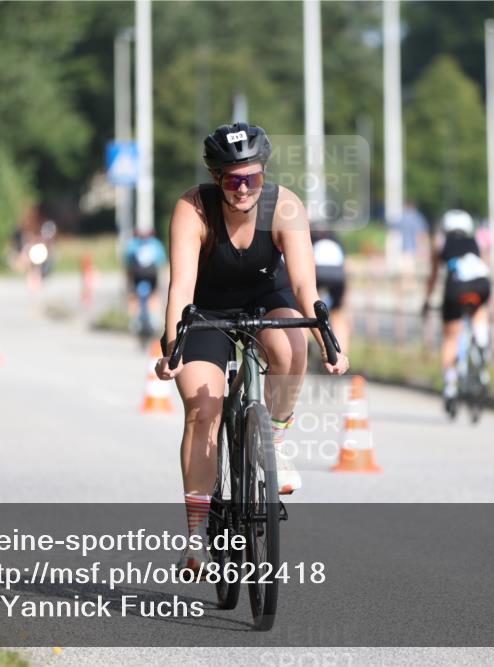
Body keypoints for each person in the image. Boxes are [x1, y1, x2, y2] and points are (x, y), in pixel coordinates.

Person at [154, 122, 349, 568]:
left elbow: (303, 284)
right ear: (215, 177)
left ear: (264, 173)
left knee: (290, 348)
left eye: (252, 178)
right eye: (231, 179)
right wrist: (172, 349)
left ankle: (274, 438)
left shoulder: (285, 207)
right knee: (203, 411)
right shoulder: (193, 208)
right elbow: (180, 287)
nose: (243, 189)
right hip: (205, 310)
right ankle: (196, 536)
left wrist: (327, 341)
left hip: (267, 297)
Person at [421, 209, 491, 413]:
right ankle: (482, 345)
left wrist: (427, 301)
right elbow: (485, 267)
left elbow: (433, 276)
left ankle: (451, 387)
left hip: (455, 286)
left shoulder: (441, 242)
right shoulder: (478, 241)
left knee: (451, 337)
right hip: (481, 285)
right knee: (479, 312)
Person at [311, 228, 351, 354]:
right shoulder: (336, 239)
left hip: (318, 270)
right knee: (337, 313)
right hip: (337, 273)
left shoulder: (310, 237)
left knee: (308, 308)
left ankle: (306, 346)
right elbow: (346, 266)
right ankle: (341, 353)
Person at [124, 228, 167, 327]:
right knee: (154, 295)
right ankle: (155, 321)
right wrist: (161, 285)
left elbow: (128, 267)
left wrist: (128, 285)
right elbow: (161, 265)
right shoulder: (156, 244)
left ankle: (133, 321)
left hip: (137, 276)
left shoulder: (132, 244)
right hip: (152, 276)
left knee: (134, 296)